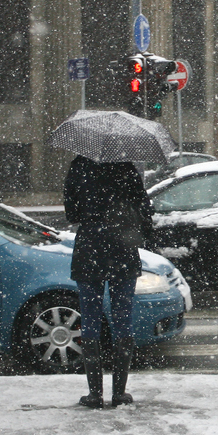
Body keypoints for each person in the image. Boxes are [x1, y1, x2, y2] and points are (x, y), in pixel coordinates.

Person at [64, 156, 154, 409]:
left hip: (89, 248)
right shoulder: (126, 168)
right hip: (122, 248)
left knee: (90, 318)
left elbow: (71, 213)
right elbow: (144, 209)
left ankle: (94, 394)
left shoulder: (79, 166)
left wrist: (92, 213)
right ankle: (119, 393)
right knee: (122, 317)